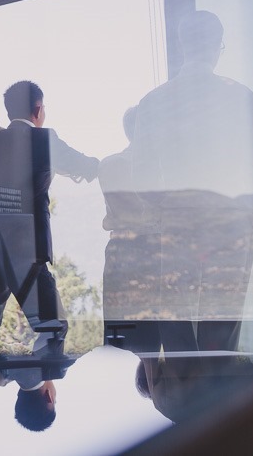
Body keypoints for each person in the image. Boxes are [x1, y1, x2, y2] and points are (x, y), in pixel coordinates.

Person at [132, 10, 253, 353]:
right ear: (217, 45)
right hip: (229, 217)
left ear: (182, 45)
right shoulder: (239, 94)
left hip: (177, 216)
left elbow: (141, 173)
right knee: (223, 310)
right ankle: (217, 384)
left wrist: (161, 210)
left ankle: (183, 381)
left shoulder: (153, 101)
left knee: (175, 307)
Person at [0, 80, 99, 354]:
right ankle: (40, 388)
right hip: (25, 245)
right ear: (38, 109)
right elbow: (87, 167)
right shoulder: (45, 139)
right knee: (54, 325)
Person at [98, 106, 162, 352]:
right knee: (154, 338)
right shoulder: (155, 169)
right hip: (149, 252)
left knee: (125, 340)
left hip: (120, 253)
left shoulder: (109, 164)